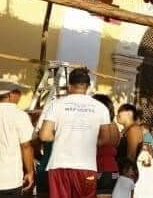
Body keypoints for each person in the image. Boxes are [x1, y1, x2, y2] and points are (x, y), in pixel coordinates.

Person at [38, 68, 115, 198]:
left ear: (69, 85)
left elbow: (44, 135)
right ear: (88, 87)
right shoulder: (101, 108)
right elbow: (107, 139)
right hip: (87, 167)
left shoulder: (56, 105)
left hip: (59, 165)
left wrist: (60, 137)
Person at [92, 94, 120, 193]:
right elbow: (116, 144)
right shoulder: (114, 126)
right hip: (113, 170)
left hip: (100, 170)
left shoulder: (100, 125)